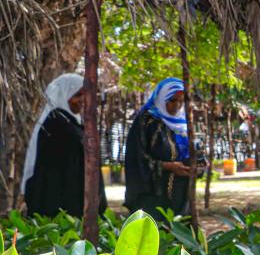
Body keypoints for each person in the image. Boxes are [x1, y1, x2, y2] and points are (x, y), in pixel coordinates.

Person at [22, 74, 107, 217]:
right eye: (77, 95)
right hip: (63, 203)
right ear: (63, 94)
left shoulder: (72, 123)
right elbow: (55, 172)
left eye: (84, 95)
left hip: (76, 199)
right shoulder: (57, 124)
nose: (82, 100)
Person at [124, 77, 194, 220]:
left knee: (178, 232)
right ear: (162, 98)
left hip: (180, 193)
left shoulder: (183, 124)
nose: (177, 106)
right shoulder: (146, 121)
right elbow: (136, 157)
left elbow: (192, 151)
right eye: (173, 100)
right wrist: (167, 166)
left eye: (181, 101)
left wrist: (196, 164)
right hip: (153, 193)